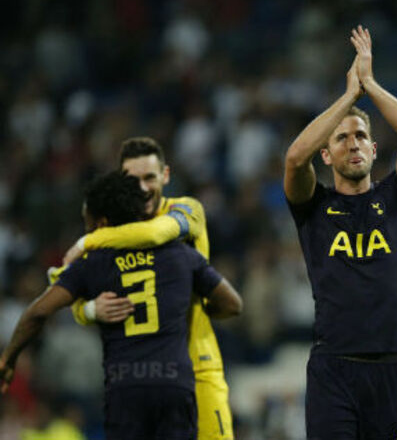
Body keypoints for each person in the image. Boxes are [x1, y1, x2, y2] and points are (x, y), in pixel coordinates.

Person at [0, 171, 242, 439]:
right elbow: (232, 304)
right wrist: (186, 312)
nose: (86, 229)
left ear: (102, 223)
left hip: (126, 386)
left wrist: (9, 358)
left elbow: (37, 312)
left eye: (87, 221)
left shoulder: (91, 264)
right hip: (174, 384)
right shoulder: (181, 254)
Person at [283, 25, 397, 439]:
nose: (353, 144)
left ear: (374, 149)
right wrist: (348, 97)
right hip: (333, 368)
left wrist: (370, 85)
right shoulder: (313, 206)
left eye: (362, 136)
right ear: (326, 154)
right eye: (342, 138)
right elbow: (295, 159)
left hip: (392, 367)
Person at [61, 137, 235, 439]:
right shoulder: (112, 231)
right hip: (138, 381)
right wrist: (88, 310)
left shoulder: (186, 209)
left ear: (165, 175)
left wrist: (89, 240)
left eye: (150, 177)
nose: (142, 188)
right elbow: (74, 294)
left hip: (199, 368)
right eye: (133, 180)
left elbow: (156, 233)